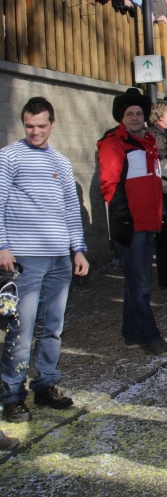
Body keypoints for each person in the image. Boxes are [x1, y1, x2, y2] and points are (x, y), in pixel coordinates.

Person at [0, 97, 89, 429]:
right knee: (20, 330)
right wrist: (2, 246)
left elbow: (70, 209)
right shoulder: (9, 157)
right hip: (23, 259)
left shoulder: (61, 163)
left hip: (59, 260)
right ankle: (12, 396)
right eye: (29, 126)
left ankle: (45, 385)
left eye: (41, 125)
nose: (35, 131)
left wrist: (78, 250)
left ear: (52, 124)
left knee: (53, 327)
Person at [97, 88, 167, 356]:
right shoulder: (113, 143)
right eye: (129, 113)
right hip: (132, 226)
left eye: (139, 113)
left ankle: (131, 333)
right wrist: (123, 221)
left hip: (148, 223)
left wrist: (163, 218)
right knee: (140, 286)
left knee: (134, 283)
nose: (134, 117)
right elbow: (109, 185)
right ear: (121, 117)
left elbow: (156, 186)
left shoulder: (148, 145)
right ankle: (150, 338)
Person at [148, 100, 167, 289]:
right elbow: (159, 155)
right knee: (166, 237)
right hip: (163, 192)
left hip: (166, 192)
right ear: (160, 116)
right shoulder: (155, 135)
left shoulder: (161, 134)